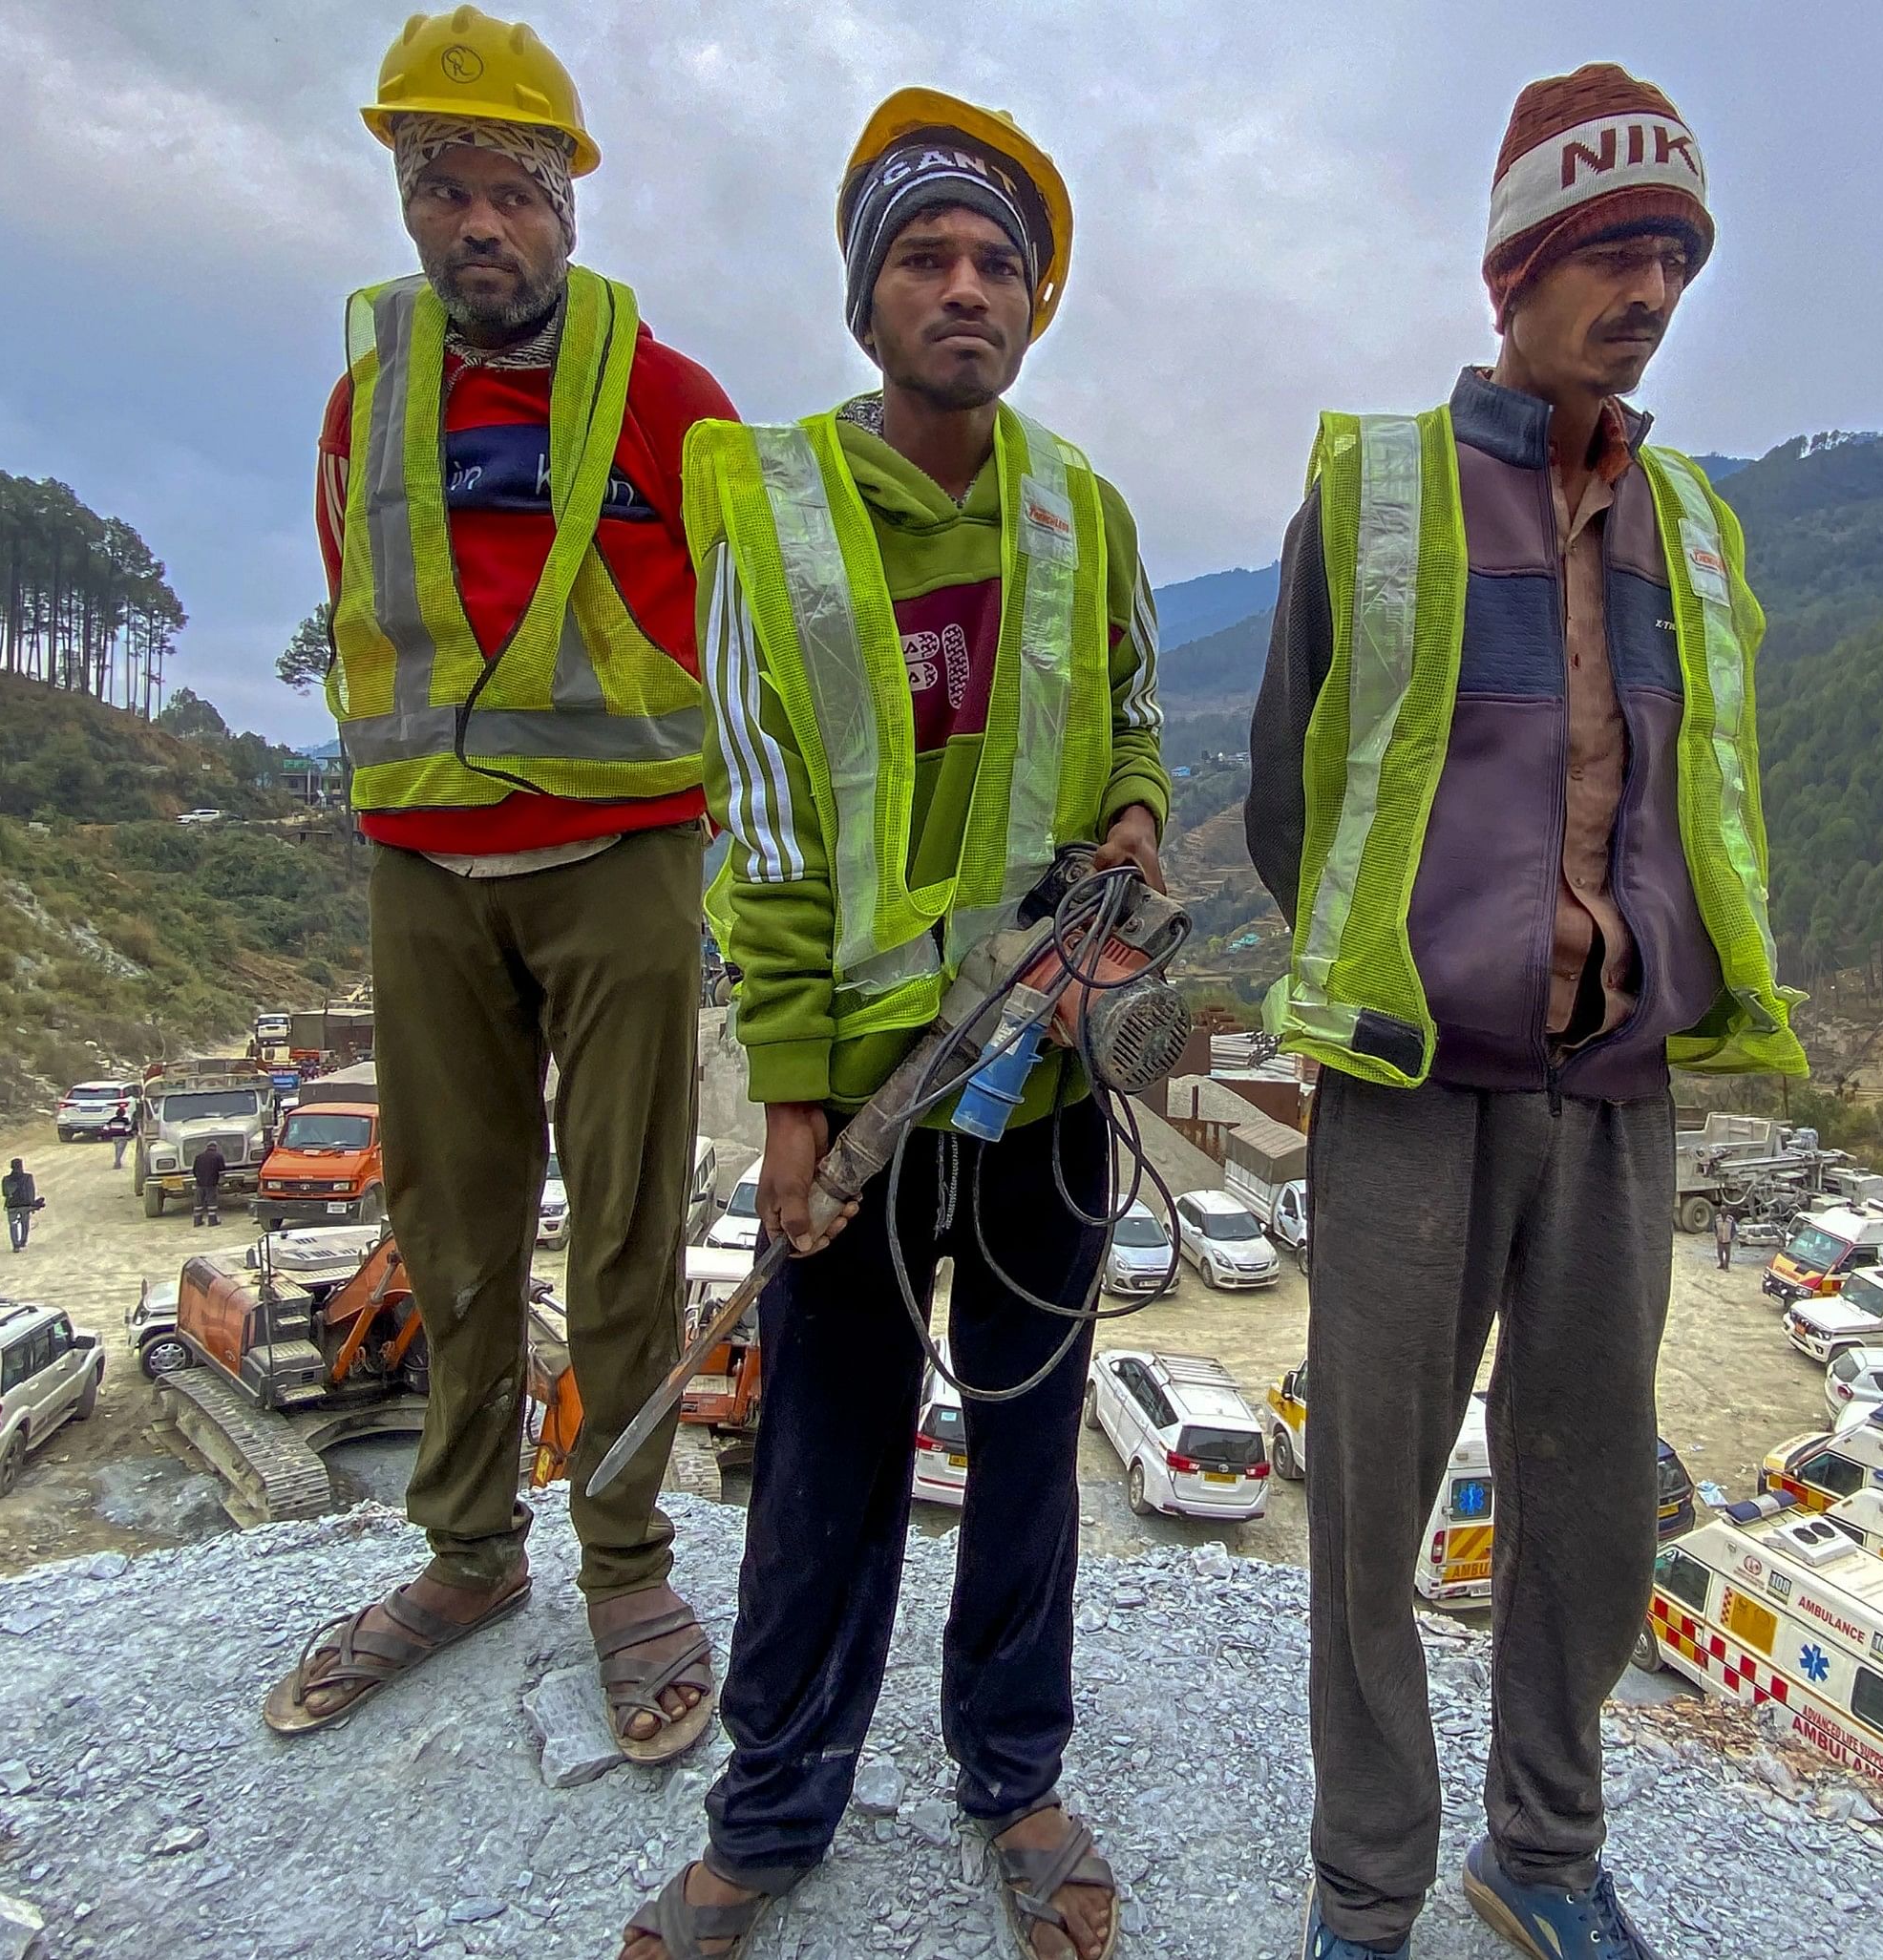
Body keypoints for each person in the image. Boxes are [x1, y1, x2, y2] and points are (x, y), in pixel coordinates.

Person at [1244, 65, 1801, 1960]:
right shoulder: (1378, 491)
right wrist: (1417, 955)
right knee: (1368, 1515)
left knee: (1584, 1499)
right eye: (1608, 252)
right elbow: (1286, 793)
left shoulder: (1695, 532)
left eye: (1670, 258)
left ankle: (1544, 1852)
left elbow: (1699, 801)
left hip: (1615, 1093)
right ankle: (1365, 1893)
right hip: (1414, 1079)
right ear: (1515, 270)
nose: (1643, 291)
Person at [625, 89, 1168, 1960]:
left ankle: (1014, 1779)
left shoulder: (1083, 517)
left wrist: (1135, 833)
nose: (964, 289)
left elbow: (1127, 739)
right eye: (925, 260)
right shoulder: (774, 519)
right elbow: (763, 835)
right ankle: (769, 1812)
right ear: (864, 304)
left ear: (1033, 306)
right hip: (854, 1105)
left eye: (995, 262)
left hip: (1037, 1092)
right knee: (825, 1464)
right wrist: (787, 1103)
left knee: (1027, 1451)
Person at [262, 7, 742, 1769]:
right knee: (455, 1229)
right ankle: (468, 1554)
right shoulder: (362, 405)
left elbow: (741, 637)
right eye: (445, 187)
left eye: (515, 192)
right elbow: (372, 608)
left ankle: (625, 1566)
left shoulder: (676, 405)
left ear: (571, 208)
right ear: (404, 204)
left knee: (620, 1231)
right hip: (423, 870)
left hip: (622, 858)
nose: (481, 223)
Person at [1, 1157, 41, 1252]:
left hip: (11, 1205)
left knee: (13, 1225)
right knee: (24, 1223)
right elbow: (31, 1191)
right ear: (21, 1166)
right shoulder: (28, 1177)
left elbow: (4, 1193)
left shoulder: (6, 1179)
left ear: (11, 1167)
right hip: (25, 1204)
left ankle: (15, 1245)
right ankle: (23, 1241)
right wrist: (32, 1204)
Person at [190, 1140, 227, 1227]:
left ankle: (197, 1221)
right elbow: (222, 1170)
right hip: (211, 1183)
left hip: (200, 1183)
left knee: (198, 1202)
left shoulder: (199, 1157)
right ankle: (212, 1221)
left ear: (207, 1147)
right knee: (212, 1202)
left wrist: (198, 1178)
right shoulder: (218, 1156)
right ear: (215, 1147)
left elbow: (194, 1171)